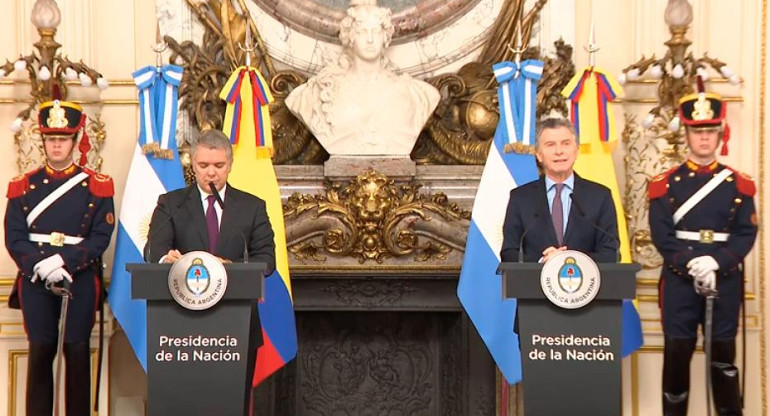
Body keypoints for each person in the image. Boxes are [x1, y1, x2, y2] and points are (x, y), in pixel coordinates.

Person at [144, 128, 275, 413]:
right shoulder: (171, 204)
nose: (211, 173)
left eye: (218, 166)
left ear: (230, 165)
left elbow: (267, 260)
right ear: (193, 163)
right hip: (180, 328)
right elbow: (152, 251)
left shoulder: (252, 207)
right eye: (204, 166)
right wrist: (167, 260)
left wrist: (235, 268)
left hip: (235, 327)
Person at [649, 82, 757, 416]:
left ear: (720, 133)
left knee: (724, 364)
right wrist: (693, 263)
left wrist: (716, 262)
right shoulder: (664, 184)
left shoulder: (739, 184)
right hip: (681, 283)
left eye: (711, 130)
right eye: (698, 131)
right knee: (676, 365)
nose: (705, 138)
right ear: (687, 135)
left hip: (723, 282)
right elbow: (663, 236)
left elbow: (745, 233)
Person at [5, 99, 115, 416]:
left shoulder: (97, 185)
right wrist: (39, 264)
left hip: (77, 279)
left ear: (75, 140)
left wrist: (64, 262)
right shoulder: (22, 187)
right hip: (36, 279)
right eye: (51, 139)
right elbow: (14, 236)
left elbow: (99, 237)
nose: (56, 145)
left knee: (77, 351)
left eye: (63, 139)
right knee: (40, 352)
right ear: (43, 141)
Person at [285, 0, 440, 156]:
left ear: (386, 36)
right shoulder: (318, 93)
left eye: (376, 31)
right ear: (350, 37)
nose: (370, 39)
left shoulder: (417, 95)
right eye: (362, 32)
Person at [500, 117, 619, 263]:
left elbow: (611, 253)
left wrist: (568, 259)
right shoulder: (521, 198)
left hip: (588, 283)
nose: (559, 151)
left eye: (566, 143)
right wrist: (543, 261)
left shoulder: (600, 196)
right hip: (533, 284)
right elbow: (509, 253)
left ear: (576, 150)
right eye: (550, 145)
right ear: (538, 154)